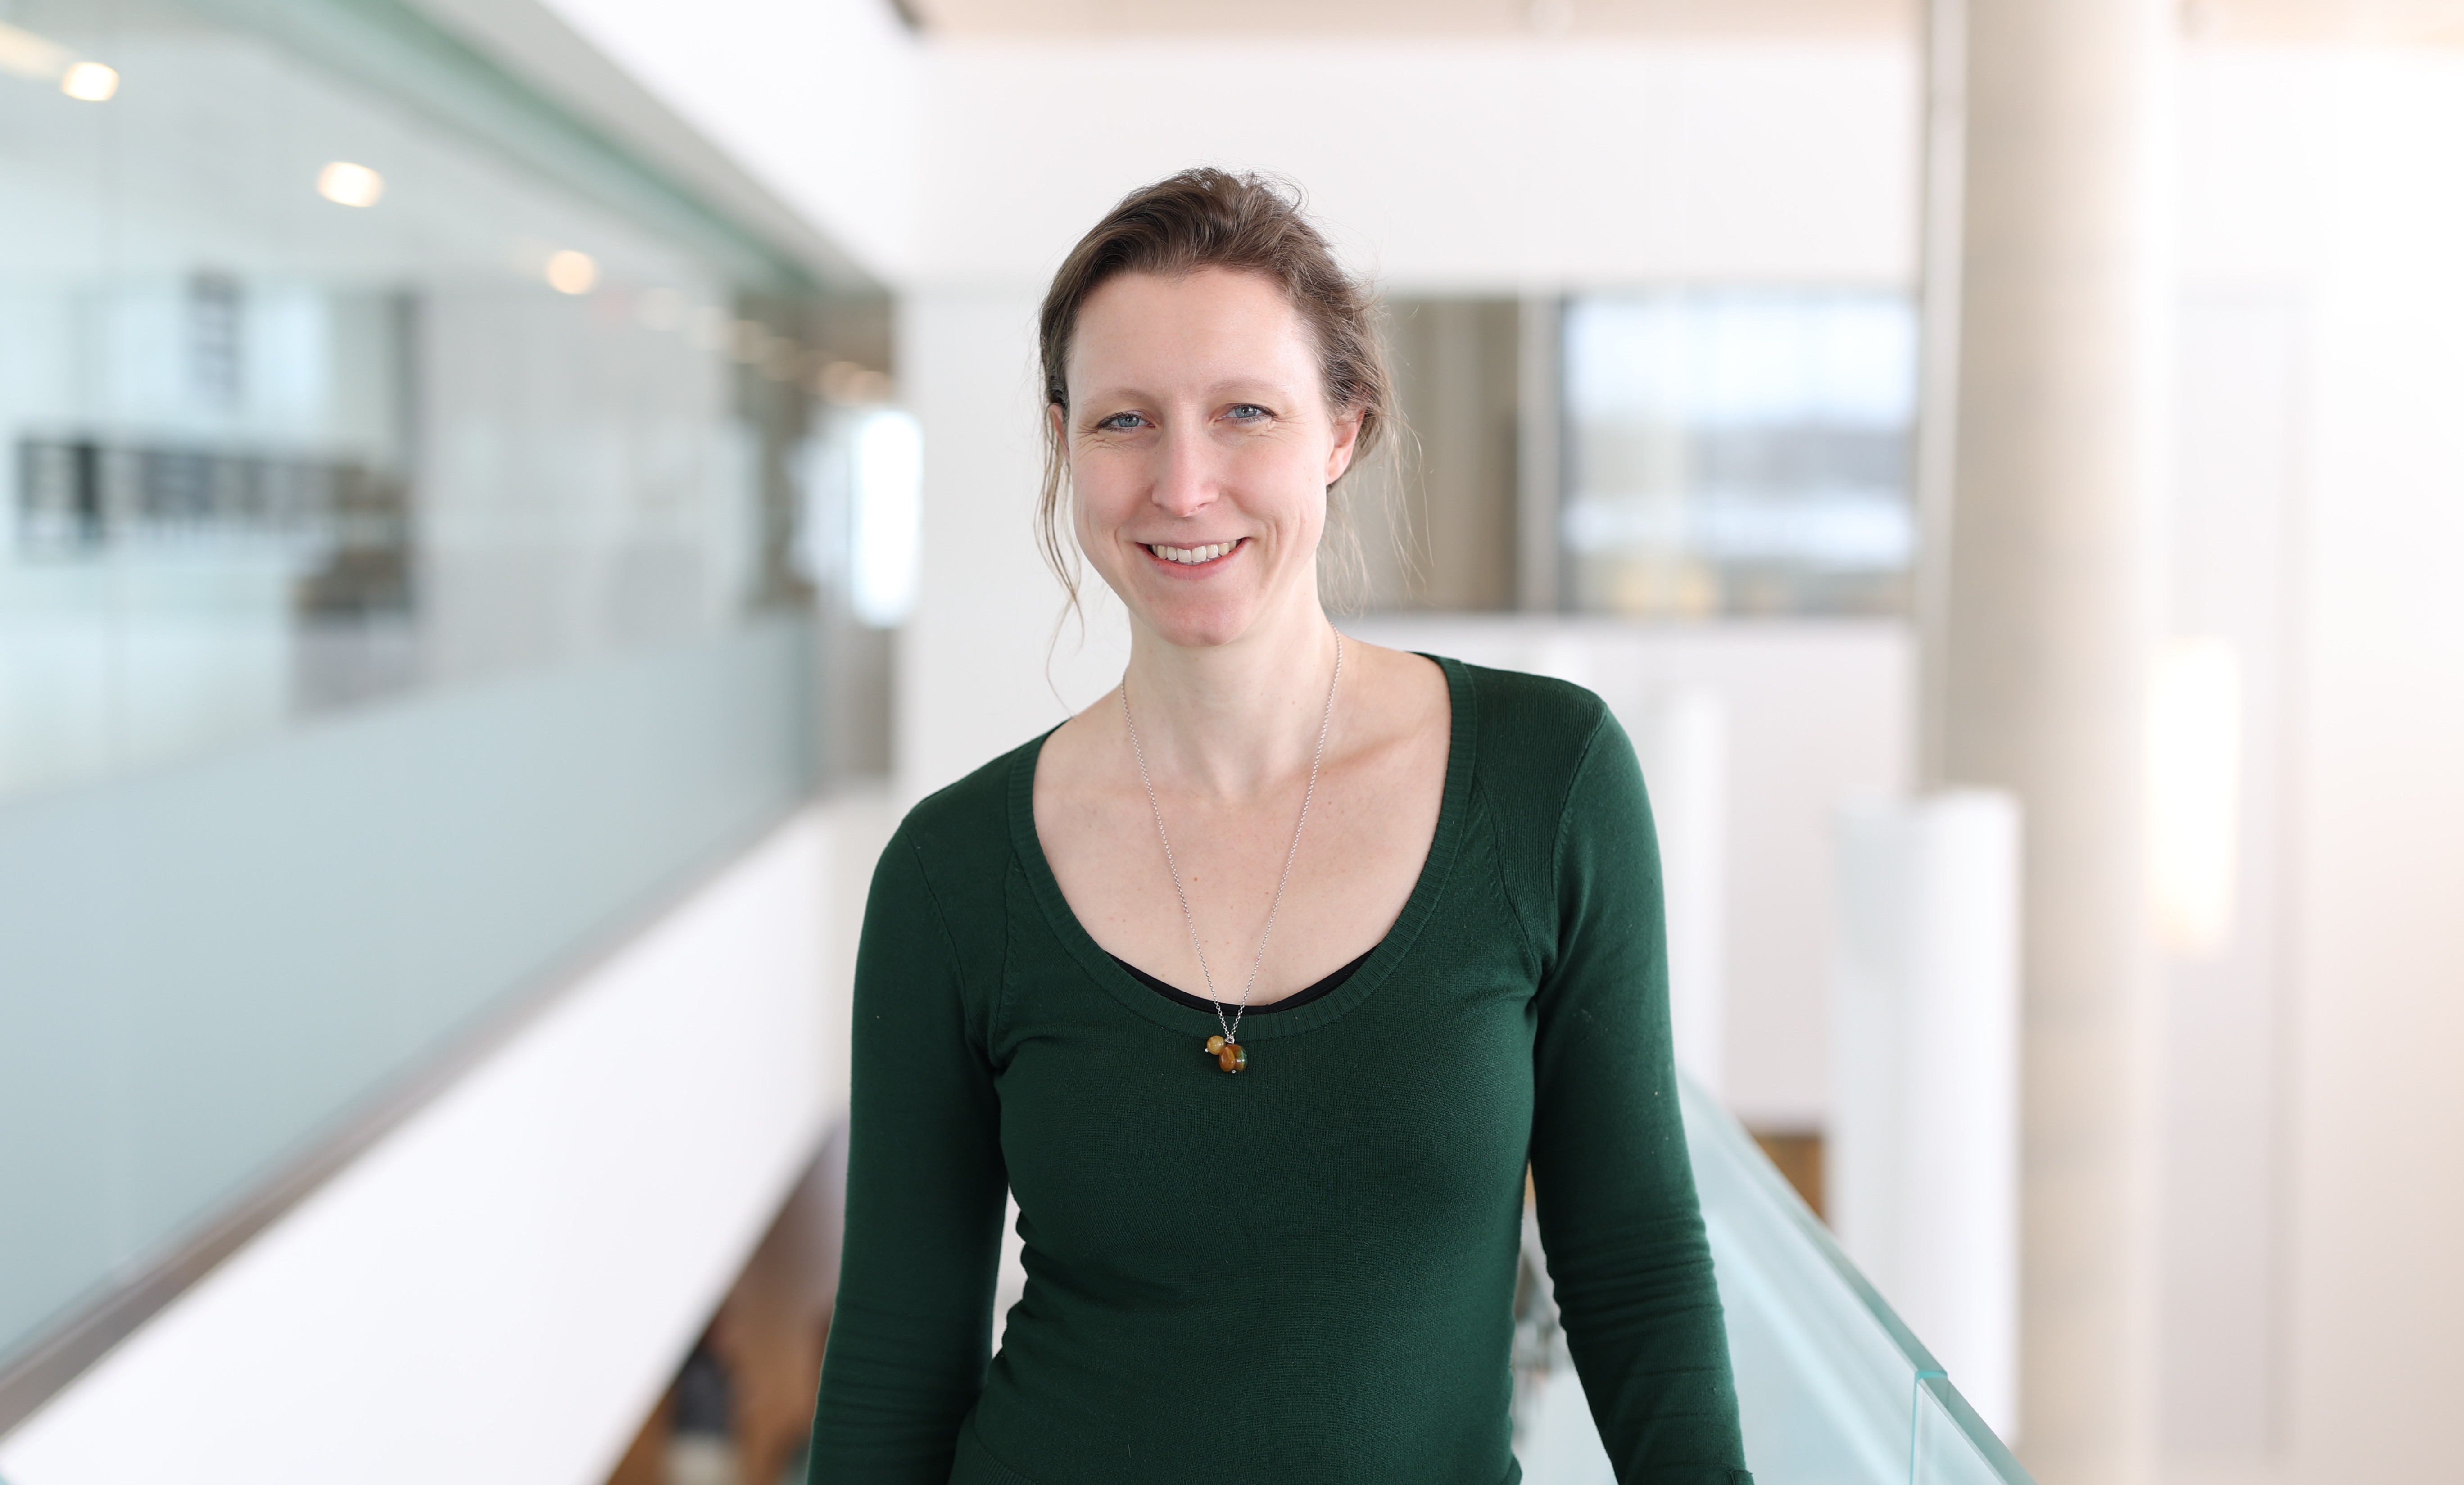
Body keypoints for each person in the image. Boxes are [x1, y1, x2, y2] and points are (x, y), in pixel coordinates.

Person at [807, 168, 1751, 1485]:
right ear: (1066, 439)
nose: (1184, 485)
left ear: (1342, 429)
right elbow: (897, 1367)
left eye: (1244, 412)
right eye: (1126, 420)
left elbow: (1634, 1264)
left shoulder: (1550, 782)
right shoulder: (954, 873)